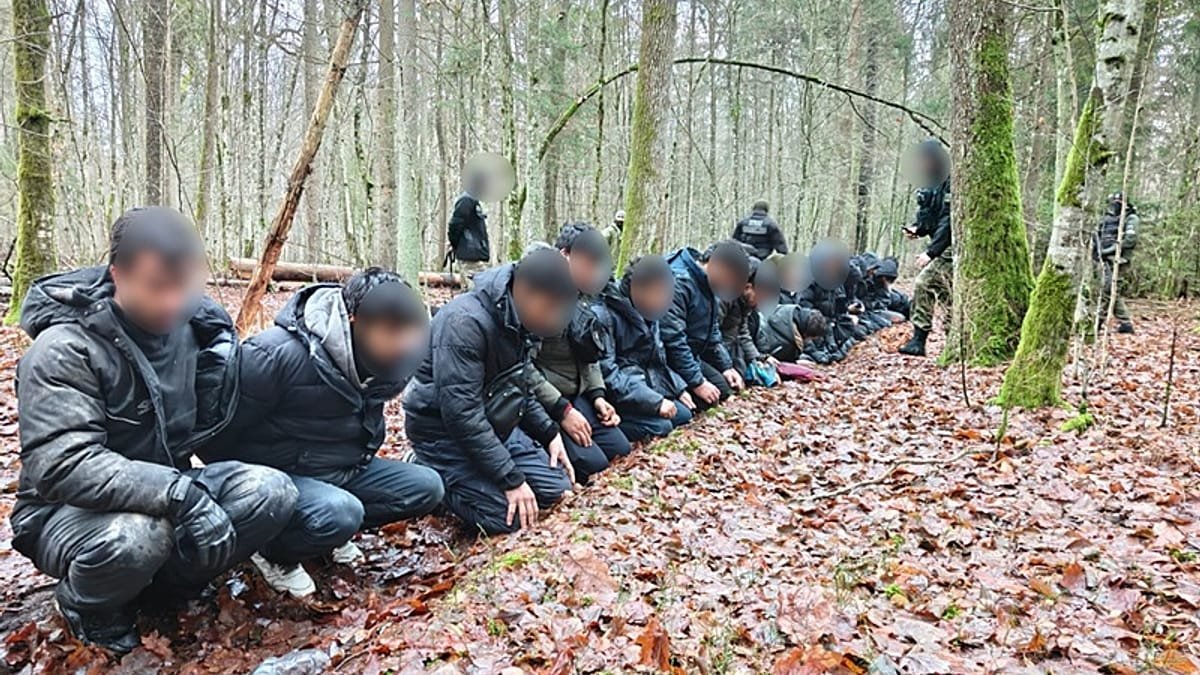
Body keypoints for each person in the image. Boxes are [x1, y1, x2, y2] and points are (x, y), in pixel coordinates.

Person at [9, 207, 298, 653]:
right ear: (117, 275)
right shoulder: (64, 349)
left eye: (183, 287)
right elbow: (61, 466)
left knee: (269, 491)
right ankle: (88, 605)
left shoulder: (196, 329)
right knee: (137, 536)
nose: (172, 303)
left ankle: (165, 588)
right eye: (157, 288)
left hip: (166, 489)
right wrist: (180, 496)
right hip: (64, 513)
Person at [204, 268, 444, 598]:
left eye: (405, 331)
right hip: (277, 478)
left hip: (341, 467)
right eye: (389, 331)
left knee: (427, 487)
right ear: (355, 320)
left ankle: (325, 532)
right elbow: (217, 435)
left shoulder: (392, 360)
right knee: (340, 512)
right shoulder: (274, 355)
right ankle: (274, 551)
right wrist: (255, 501)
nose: (400, 343)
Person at [404, 248, 577, 536]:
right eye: (549, 307)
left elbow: (518, 387)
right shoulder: (465, 322)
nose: (553, 317)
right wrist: (511, 480)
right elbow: (462, 415)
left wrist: (550, 433)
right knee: (512, 520)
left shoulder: (519, 322)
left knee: (558, 490)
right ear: (523, 291)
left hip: (495, 424)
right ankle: (425, 469)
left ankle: (484, 476)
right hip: (444, 436)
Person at [528, 224, 630, 484]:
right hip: (544, 400)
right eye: (586, 261)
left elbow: (589, 350)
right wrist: (563, 410)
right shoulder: (536, 293)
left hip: (578, 393)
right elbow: (522, 368)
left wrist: (598, 396)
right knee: (592, 464)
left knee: (620, 448)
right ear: (565, 255)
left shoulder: (582, 295)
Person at [594, 255, 695, 442]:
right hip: (616, 397)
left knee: (683, 415)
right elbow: (609, 374)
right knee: (662, 425)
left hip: (643, 387)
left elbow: (656, 361)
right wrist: (656, 403)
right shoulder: (605, 315)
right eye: (656, 292)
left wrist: (678, 388)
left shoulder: (650, 312)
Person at [662, 241, 752, 409]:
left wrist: (726, 367)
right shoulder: (679, 282)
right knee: (706, 400)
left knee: (724, 390)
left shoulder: (708, 283)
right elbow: (673, 340)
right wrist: (698, 383)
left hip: (692, 354)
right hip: (665, 359)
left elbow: (712, 330)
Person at [898, 139, 953, 357]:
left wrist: (931, 252)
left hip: (949, 248)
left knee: (923, 283)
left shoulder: (951, 181)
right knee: (946, 293)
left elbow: (948, 222)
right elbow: (931, 216)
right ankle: (950, 342)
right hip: (941, 246)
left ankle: (919, 340)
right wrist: (917, 229)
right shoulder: (932, 182)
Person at [718, 259, 781, 378]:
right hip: (713, 350)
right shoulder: (725, 298)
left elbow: (743, 333)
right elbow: (712, 333)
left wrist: (757, 358)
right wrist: (725, 367)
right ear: (748, 287)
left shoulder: (745, 304)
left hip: (729, 347)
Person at [1093, 193, 1139, 334]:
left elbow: (1130, 239)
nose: (1115, 205)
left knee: (1109, 289)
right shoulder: (1107, 219)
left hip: (1119, 260)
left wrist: (1109, 251)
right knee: (1110, 290)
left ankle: (1099, 321)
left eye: (1118, 202)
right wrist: (1098, 251)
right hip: (1105, 259)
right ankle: (1125, 323)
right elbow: (1097, 235)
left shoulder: (1131, 218)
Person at [447, 169, 491, 283]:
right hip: (471, 257)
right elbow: (455, 224)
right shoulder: (467, 200)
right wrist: (455, 243)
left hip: (476, 255)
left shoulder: (474, 201)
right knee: (475, 292)